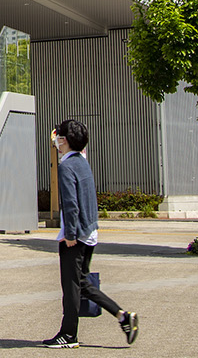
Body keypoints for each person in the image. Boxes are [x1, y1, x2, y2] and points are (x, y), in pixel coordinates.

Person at [45, 119, 138, 350]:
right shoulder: (81, 162)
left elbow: (70, 203)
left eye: (58, 136)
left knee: (71, 287)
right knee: (82, 282)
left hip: (76, 235)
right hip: (90, 231)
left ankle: (68, 335)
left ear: (63, 140)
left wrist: (70, 234)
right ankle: (122, 316)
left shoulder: (66, 166)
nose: (55, 139)